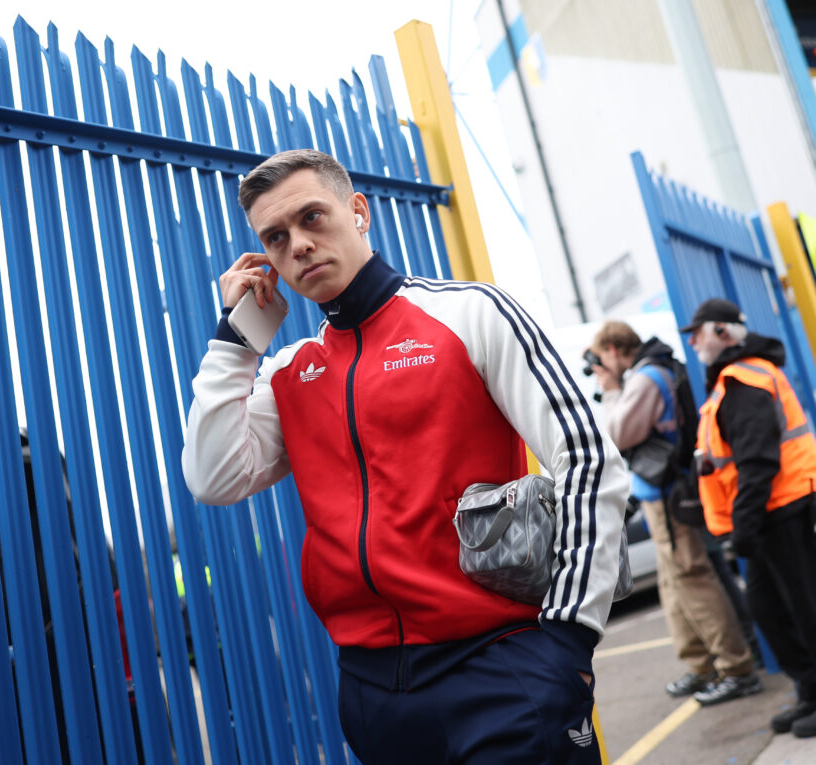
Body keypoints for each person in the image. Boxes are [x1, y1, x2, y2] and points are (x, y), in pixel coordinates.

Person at [181, 149, 630, 763]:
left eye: (313, 217)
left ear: (358, 211)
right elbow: (213, 477)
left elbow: (588, 458)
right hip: (372, 690)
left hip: (499, 663)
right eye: (276, 238)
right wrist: (238, 339)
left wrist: (570, 637)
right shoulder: (291, 371)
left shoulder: (468, 312)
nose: (299, 245)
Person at [589, 321, 761, 705]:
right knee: (673, 584)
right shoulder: (653, 370)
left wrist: (611, 391)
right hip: (659, 493)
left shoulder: (646, 377)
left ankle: (737, 668)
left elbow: (616, 434)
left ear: (614, 349)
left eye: (601, 358)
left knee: (693, 579)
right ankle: (701, 664)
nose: (600, 367)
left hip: (667, 495)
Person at [683, 297, 816, 737]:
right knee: (770, 607)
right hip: (770, 510)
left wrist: (744, 525)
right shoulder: (733, 379)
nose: (692, 341)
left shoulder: (744, 381)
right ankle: (809, 689)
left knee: (802, 606)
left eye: (697, 332)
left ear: (722, 332)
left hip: (782, 507)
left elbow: (757, 462)